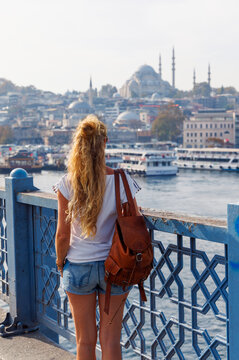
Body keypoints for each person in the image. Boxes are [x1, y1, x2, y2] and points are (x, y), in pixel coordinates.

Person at [55, 114, 141, 360]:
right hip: (115, 268)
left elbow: (62, 235)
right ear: (105, 143)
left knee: (84, 341)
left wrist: (62, 263)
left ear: (79, 144)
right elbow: (134, 224)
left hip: (78, 266)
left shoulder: (67, 183)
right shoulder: (122, 181)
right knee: (111, 341)